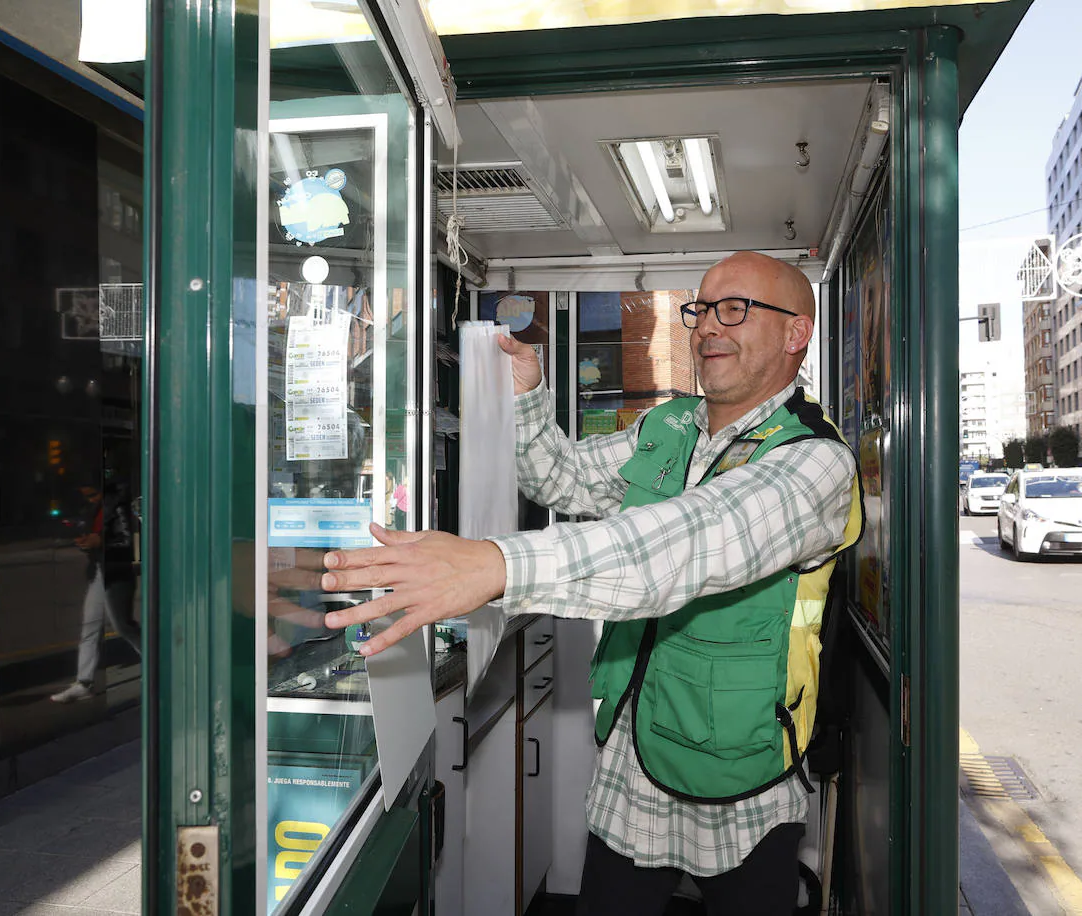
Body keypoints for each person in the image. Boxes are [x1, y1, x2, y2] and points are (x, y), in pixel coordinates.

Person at [320, 251, 862, 914]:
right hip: (633, 757)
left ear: (795, 333)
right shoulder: (667, 427)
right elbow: (561, 479)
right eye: (700, 310)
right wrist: (528, 393)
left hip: (738, 776)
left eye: (734, 309)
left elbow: (684, 546)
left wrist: (495, 565)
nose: (706, 328)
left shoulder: (815, 460)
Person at [51, 478, 142, 702]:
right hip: (99, 570)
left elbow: (127, 541)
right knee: (90, 625)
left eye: (93, 495)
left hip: (117, 571)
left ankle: (158, 666)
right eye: (87, 496)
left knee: (123, 625)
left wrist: (99, 541)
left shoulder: (119, 506)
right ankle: (84, 682)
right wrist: (84, 541)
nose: (90, 499)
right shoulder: (93, 509)